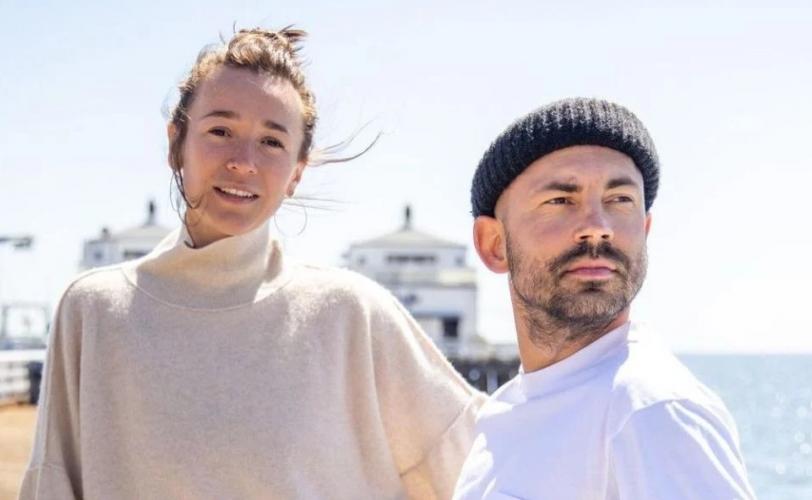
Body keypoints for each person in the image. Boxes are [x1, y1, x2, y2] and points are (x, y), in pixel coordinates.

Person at [21, 27, 483, 500]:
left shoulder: (352, 312)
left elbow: (482, 462)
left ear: (297, 172)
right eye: (220, 132)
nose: (243, 162)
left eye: (271, 142)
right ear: (176, 144)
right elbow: (52, 482)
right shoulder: (94, 309)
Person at [453, 97, 755, 499]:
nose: (597, 227)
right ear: (494, 244)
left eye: (620, 200)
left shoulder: (651, 411)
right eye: (561, 200)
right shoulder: (502, 415)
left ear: (644, 230)